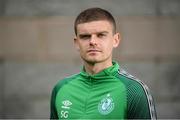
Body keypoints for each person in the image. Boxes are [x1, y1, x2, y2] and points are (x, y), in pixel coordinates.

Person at [50, 7, 157, 119]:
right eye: (85, 36)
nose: (93, 42)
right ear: (77, 43)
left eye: (101, 35)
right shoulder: (61, 89)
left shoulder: (134, 90)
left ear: (115, 40)